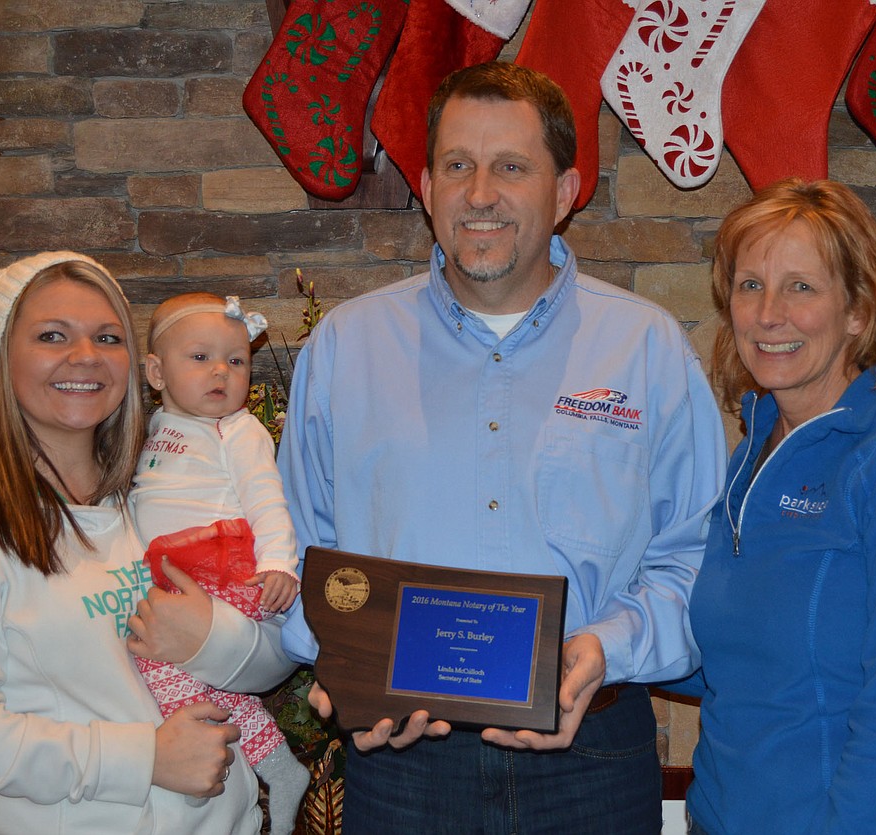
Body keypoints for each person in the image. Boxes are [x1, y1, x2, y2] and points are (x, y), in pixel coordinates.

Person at [277, 61, 726, 834]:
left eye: (511, 167)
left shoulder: (647, 349)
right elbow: (295, 549)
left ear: (565, 191)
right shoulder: (345, 349)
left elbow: (697, 558)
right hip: (400, 762)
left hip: (591, 751)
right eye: (458, 165)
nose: (480, 193)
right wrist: (343, 667)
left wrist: (605, 647)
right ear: (424, 186)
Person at [0, 251, 295, 835]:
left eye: (107, 337)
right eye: (52, 335)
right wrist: (144, 760)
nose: (85, 357)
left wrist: (209, 636)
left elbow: (274, 658)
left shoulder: (152, 499)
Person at [678, 179, 876, 834]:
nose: (767, 313)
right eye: (750, 284)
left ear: (858, 313)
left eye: (801, 287)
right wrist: (588, 642)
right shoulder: (754, 450)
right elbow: (735, 660)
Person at [130, 291, 310, 834]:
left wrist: (281, 562)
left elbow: (268, 500)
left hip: (226, 564)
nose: (221, 373)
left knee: (156, 662)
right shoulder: (154, 430)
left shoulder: (238, 430)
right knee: (203, 681)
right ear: (156, 372)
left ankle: (206, 761)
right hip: (181, 573)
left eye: (236, 361)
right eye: (200, 357)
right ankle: (275, 764)